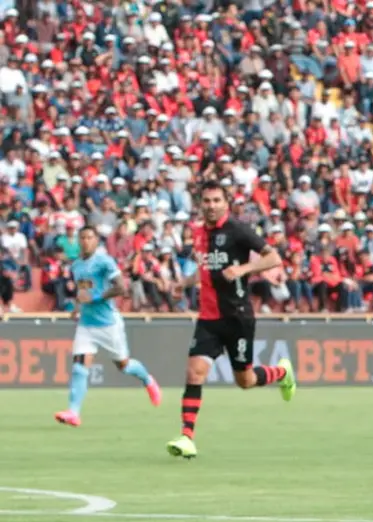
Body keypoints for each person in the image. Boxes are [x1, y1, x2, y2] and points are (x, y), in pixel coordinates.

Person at [165, 180, 297, 459]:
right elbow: (205, 269)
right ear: (200, 204)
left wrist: (244, 269)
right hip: (208, 318)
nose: (211, 206)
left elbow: (273, 258)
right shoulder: (198, 233)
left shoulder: (238, 230)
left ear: (226, 203)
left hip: (237, 317)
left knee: (245, 380)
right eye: (207, 201)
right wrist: (184, 283)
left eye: (216, 200)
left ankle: (282, 373)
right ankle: (187, 436)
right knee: (194, 372)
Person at [54, 226, 162, 427]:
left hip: (108, 324)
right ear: (78, 241)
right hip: (86, 324)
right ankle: (73, 412)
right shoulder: (76, 266)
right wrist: (78, 307)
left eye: (90, 237)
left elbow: (121, 287)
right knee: (79, 367)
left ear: (96, 241)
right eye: (83, 237)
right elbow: (83, 289)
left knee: (124, 365)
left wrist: (95, 298)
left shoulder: (104, 261)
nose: (86, 241)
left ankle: (148, 380)